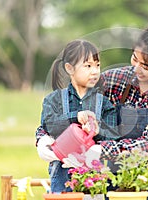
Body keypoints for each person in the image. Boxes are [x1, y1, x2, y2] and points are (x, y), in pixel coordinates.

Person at [37, 25, 148, 200]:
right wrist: (42, 136)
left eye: (145, 66)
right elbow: (73, 106)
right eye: (134, 58)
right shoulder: (115, 79)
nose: (136, 68)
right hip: (115, 181)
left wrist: (100, 149)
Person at [35, 39, 119, 193]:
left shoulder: (104, 103)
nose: (94, 71)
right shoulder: (53, 100)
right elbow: (49, 125)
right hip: (63, 179)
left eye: (97, 65)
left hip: (95, 182)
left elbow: (113, 136)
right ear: (69, 68)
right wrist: (76, 116)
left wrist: (97, 130)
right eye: (88, 66)